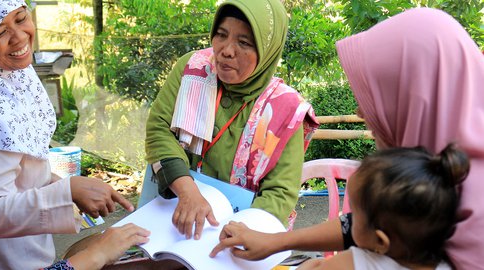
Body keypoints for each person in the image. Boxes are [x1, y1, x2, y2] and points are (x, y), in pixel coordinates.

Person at [209, 7, 484, 269]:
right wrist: (276, 242)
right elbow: (375, 224)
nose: (360, 111)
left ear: (418, 95)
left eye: (379, 94)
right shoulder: (436, 175)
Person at [0, 1, 149, 269]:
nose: (19, 37)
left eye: (20, 18)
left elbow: (16, 167)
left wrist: (65, 187)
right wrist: (67, 190)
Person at [145, 0, 319, 241]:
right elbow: (159, 129)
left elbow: (279, 193)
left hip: (240, 237)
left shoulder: (285, 111)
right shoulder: (192, 71)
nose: (226, 50)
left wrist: (237, 235)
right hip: (173, 215)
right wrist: (187, 192)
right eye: (221, 34)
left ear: (267, 49)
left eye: (244, 42)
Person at [213, 144, 468, 269]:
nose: (347, 219)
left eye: (354, 214)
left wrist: (310, 267)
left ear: (380, 241)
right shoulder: (450, 263)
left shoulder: (359, 262)